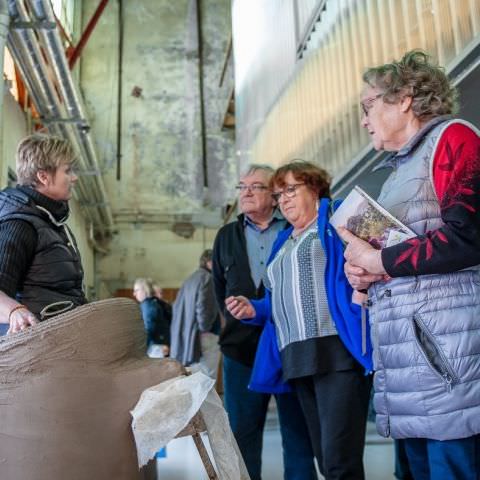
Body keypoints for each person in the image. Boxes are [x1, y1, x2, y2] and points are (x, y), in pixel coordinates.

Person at [338, 50, 480, 480]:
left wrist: (379, 259)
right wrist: (365, 273)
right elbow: (404, 252)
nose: (364, 120)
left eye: (368, 105)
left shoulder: (455, 139)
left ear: (403, 99)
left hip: (447, 357)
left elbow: (468, 237)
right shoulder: (398, 170)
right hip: (408, 358)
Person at [226, 160, 373, 480]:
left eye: (291, 189)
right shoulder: (284, 241)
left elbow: (374, 261)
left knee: (339, 460)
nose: (284, 199)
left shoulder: (337, 220)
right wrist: (255, 309)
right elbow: (280, 299)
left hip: (336, 350)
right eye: (279, 194)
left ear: (316, 188)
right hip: (297, 355)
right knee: (323, 456)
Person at [212, 164, 316, 480]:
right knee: (243, 434)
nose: (245, 192)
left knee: (298, 434)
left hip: (290, 347)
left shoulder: (294, 229)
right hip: (240, 352)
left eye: (255, 186)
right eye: (241, 186)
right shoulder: (226, 235)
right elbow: (219, 289)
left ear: (273, 194)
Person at [0, 133, 86, 335]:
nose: (74, 178)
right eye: (67, 171)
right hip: (34, 350)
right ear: (43, 177)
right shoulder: (19, 225)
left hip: (62, 340)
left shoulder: (49, 222)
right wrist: (15, 311)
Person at [170, 249, 220, 378]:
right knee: (207, 379)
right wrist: (205, 328)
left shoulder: (190, 279)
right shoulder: (207, 278)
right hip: (204, 335)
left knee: (196, 378)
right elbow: (204, 307)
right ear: (209, 262)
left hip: (189, 337)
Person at [133, 278, 170, 357]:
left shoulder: (148, 305)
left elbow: (148, 329)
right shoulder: (155, 303)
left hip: (156, 347)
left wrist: (139, 349)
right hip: (161, 344)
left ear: (144, 290)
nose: (134, 294)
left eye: (136, 290)